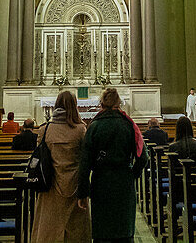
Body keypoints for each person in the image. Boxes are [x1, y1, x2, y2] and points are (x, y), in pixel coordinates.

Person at [78, 87, 148, 242]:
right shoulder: (129, 125)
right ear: (118, 103)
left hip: (101, 182)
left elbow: (85, 162)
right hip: (123, 182)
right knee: (123, 229)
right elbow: (143, 157)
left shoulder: (94, 126)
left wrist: (83, 192)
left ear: (101, 104)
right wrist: (131, 175)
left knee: (102, 230)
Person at [31, 91, 91, 243]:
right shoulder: (81, 130)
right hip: (74, 186)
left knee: (49, 227)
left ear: (56, 104)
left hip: (51, 185)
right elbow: (86, 160)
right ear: (74, 105)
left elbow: (40, 157)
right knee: (76, 230)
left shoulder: (45, 129)